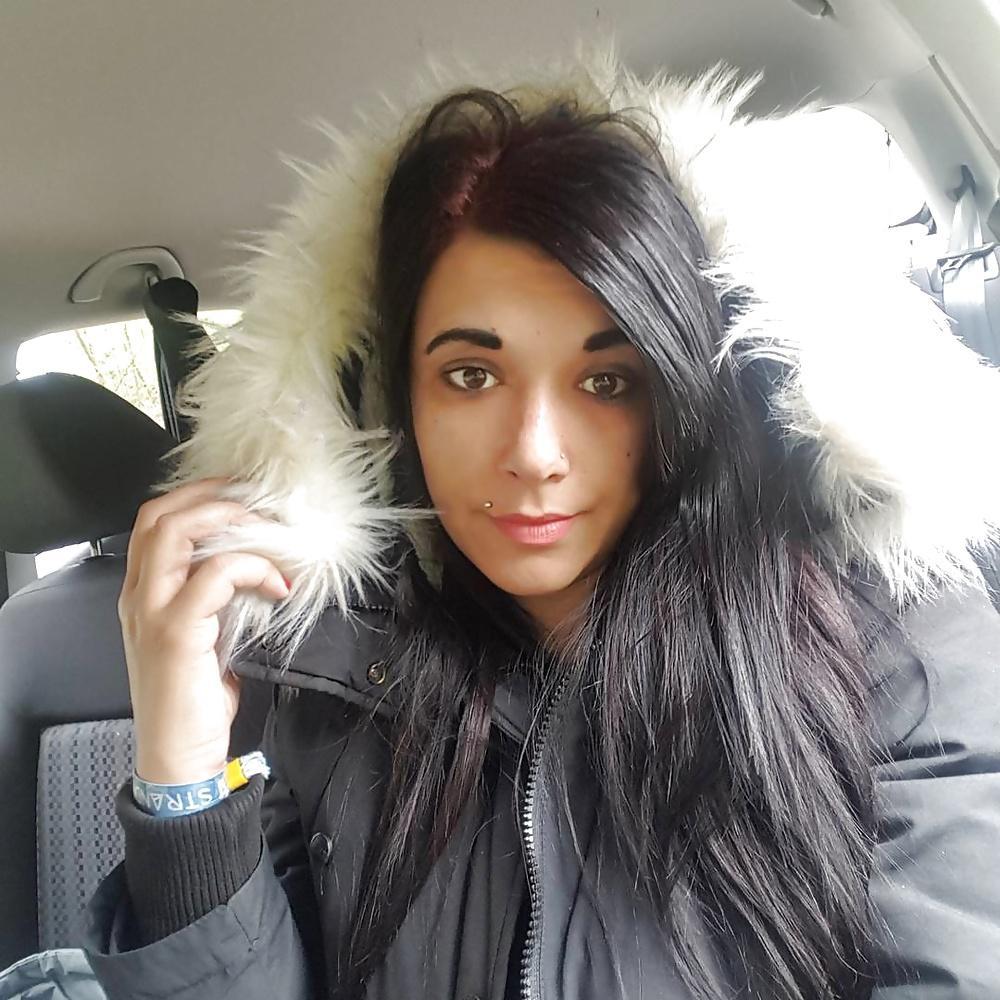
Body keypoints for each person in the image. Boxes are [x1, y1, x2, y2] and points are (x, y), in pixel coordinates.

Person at [81, 38, 1000, 1000]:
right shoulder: (340, 680)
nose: (535, 452)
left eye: (607, 381)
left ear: (688, 395)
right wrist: (182, 777)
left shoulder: (902, 660)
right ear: (395, 402)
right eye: (471, 375)